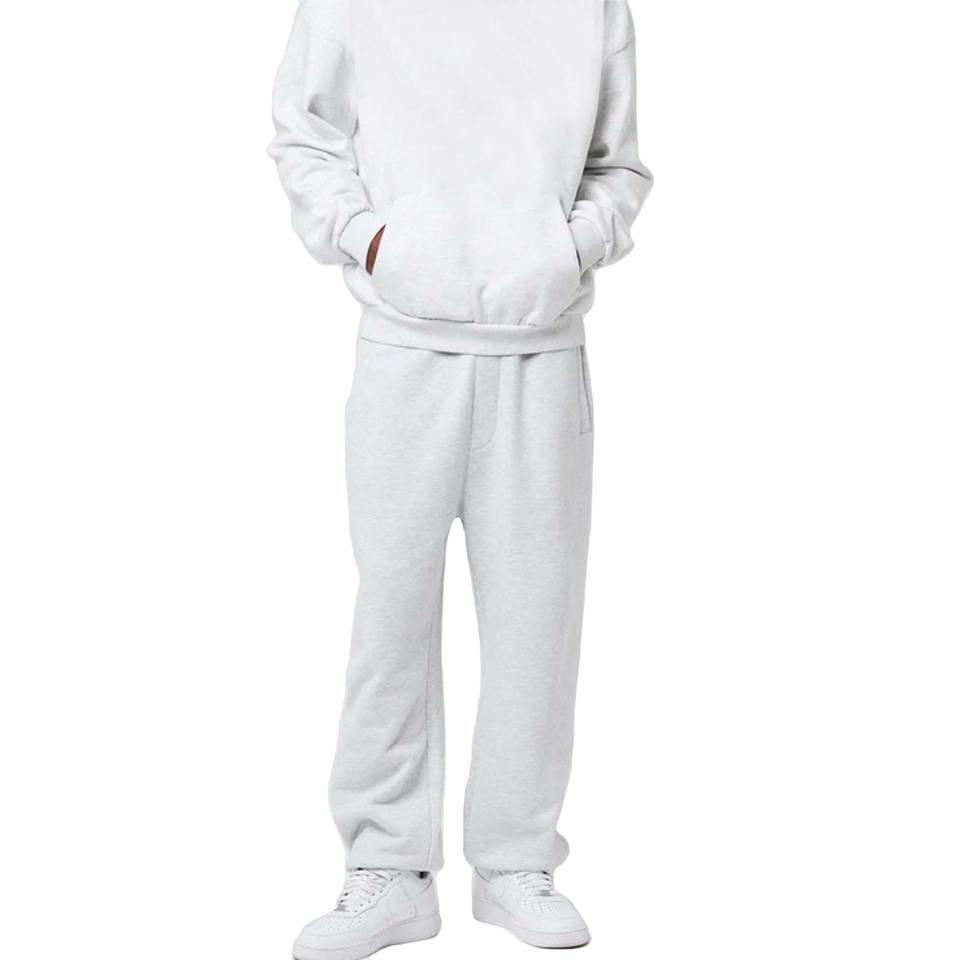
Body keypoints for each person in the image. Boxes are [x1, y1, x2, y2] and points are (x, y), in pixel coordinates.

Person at [268, 0, 652, 956]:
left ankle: (515, 861)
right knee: (390, 617)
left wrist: (568, 249)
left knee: (537, 619)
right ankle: (387, 868)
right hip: (403, 349)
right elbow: (304, 133)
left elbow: (618, 165)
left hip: (541, 349)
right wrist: (372, 240)